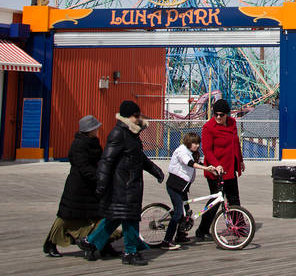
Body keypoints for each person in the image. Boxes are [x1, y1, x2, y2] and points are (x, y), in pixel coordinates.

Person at [79, 100, 164, 266]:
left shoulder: (132, 134)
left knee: (115, 217)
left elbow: (139, 157)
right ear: (128, 117)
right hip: (123, 185)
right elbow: (107, 160)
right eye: (136, 115)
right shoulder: (119, 133)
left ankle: (90, 242)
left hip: (130, 183)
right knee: (130, 218)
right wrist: (101, 184)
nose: (139, 118)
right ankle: (130, 252)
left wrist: (155, 170)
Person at [43, 115, 119, 259]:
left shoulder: (94, 142)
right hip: (77, 187)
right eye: (95, 128)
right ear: (89, 130)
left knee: (98, 216)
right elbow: (82, 166)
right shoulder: (78, 145)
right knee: (66, 217)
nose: (97, 130)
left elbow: (100, 160)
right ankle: (51, 243)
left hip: (92, 187)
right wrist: (99, 177)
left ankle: (103, 245)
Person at [195, 99, 244, 241]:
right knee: (215, 200)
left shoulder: (232, 123)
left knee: (234, 200)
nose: (218, 117)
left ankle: (239, 227)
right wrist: (216, 165)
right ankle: (202, 230)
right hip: (216, 171)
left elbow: (235, 143)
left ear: (226, 115)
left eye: (221, 115)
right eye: (215, 114)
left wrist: (240, 160)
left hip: (230, 168)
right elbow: (207, 151)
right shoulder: (208, 128)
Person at [160, 133, 217, 250]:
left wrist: (212, 168)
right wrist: (206, 168)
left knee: (187, 213)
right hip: (174, 186)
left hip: (183, 187)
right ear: (188, 143)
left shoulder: (193, 153)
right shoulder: (181, 151)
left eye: (197, 143)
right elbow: (189, 163)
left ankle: (180, 236)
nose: (196, 146)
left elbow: (198, 163)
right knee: (178, 213)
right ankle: (166, 241)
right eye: (194, 143)